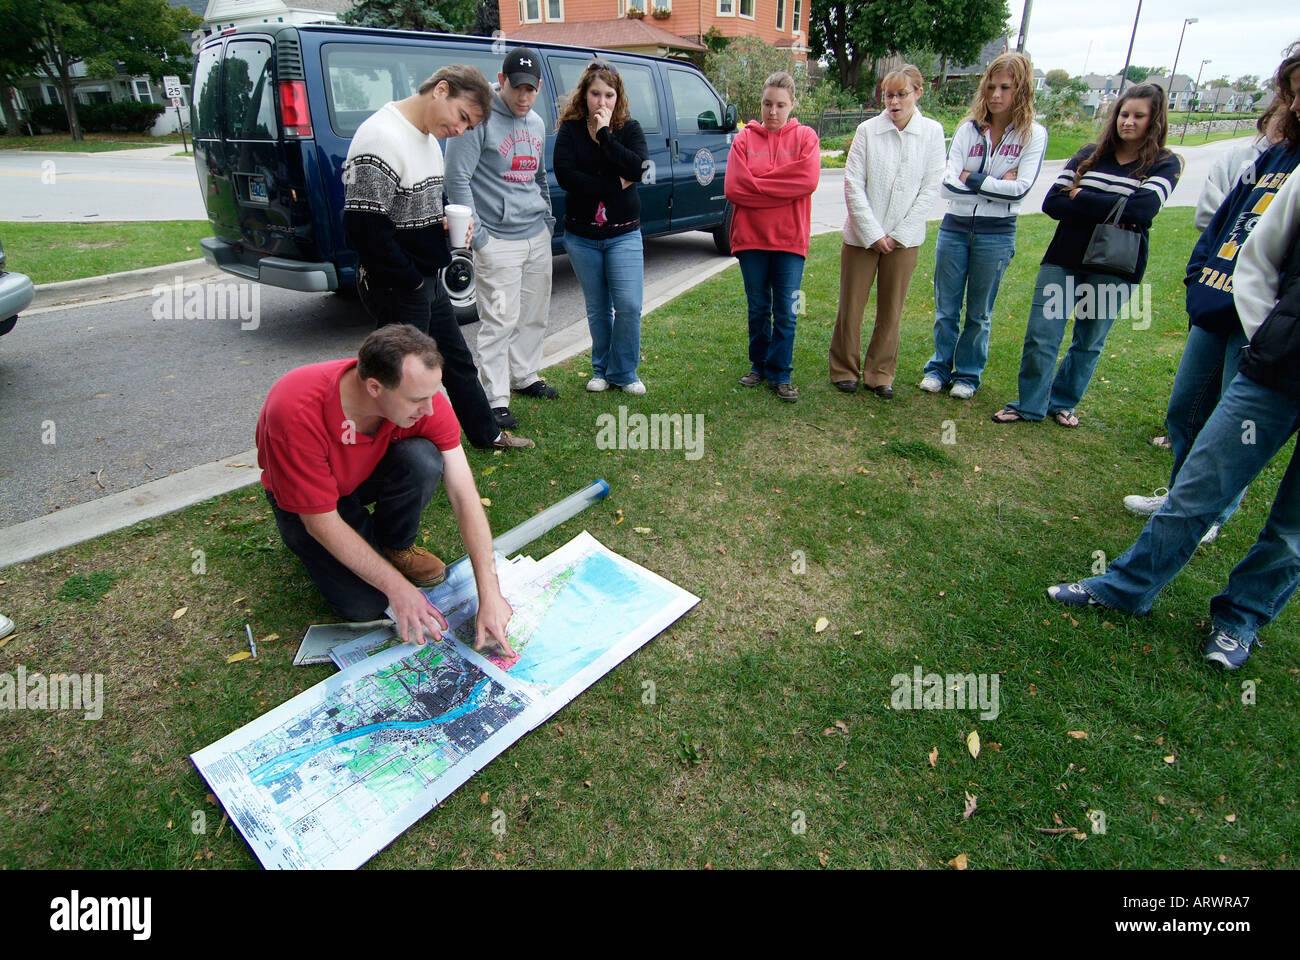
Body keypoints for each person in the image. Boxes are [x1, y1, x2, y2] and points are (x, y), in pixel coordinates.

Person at [1047, 169, 1300, 670]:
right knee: (1200, 485)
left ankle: (1240, 618)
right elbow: (1260, 254)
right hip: (1278, 363)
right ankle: (1126, 588)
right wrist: (1266, 334)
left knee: (1293, 528)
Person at [1122, 45, 1300, 541]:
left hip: (1263, 320)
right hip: (1217, 301)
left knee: (1232, 425)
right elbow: (1223, 221)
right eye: (1295, 93)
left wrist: (1269, 315)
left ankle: (1209, 514)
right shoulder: (1274, 157)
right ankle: (1181, 495)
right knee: (1186, 408)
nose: (1297, 104)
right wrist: (1199, 275)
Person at [257, 324, 516, 655]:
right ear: (375, 388)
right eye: (418, 400)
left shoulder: (422, 398)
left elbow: (465, 496)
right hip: (309, 504)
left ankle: (394, 546)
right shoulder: (295, 411)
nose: (430, 409)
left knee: (423, 458)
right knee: (366, 605)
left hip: (363, 470)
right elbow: (320, 521)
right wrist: (399, 590)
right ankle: (365, 549)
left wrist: (490, 593)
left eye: (433, 394)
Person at [343, 64, 533, 451]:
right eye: (462, 117)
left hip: (425, 278)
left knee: (456, 361)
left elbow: (416, 209)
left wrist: (443, 225)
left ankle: (487, 434)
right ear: (441, 90)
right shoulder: (380, 135)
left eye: (469, 126)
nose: (461, 131)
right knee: (401, 380)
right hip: (398, 283)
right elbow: (362, 228)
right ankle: (382, 459)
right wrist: (411, 280)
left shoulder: (428, 138)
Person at [992, 84, 1182, 427]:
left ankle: (1062, 401)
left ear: (1154, 120)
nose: (1129, 122)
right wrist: (1114, 206)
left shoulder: (1164, 163)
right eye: (1124, 114)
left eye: (1139, 116)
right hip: (1064, 258)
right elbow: (1052, 202)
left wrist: (1081, 197)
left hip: (1115, 265)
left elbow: (1144, 209)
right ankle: (1030, 404)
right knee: (1042, 334)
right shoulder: (1089, 154)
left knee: (1089, 340)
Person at [920, 52, 1048, 400]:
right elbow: (946, 185)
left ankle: (968, 374)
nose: (996, 95)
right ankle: (938, 368)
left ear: (1020, 90)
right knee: (946, 308)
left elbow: (1020, 189)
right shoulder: (967, 129)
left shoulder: (1032, 135)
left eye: (1005, 87)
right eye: (991, 86)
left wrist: (972, 178)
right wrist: (994, 181)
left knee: (979, 312)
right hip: (955, 227)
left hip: (996, 234)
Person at [444, 47, 558, 433]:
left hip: (536, 234)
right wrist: (482, 238)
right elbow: (456, 178)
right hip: (497, 240)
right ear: (502, 80)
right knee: (500, 320)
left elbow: (539, 176)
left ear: (538, 88)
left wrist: (548, 219)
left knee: (534, 313)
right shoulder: (479, 121)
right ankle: (496, 398)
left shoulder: (538, 123)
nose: (523, 97)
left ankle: (525, 375)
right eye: (517, 88)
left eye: (531, 89)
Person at [828, 65, 945, 398]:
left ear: (918, 93)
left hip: (904, 240)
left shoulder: (933, 133)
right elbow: (853, 183)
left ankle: (879, 372)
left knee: (891, 309)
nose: (893, 102)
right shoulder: (867, 131)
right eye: (888, 95)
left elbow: (930, 186)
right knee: (851, 306)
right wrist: (873, 231)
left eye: (901, 94)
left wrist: (899, 233)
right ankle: (843, 369)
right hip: (862, 237)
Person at [553, 59, 650, 395]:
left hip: (623, 234)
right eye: (596, 94)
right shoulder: (569, 130)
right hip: (582, 237)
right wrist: (613, 184)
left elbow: (637, 167)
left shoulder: (629, 129)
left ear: (617, 97)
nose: (602, 102)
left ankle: (624, 371)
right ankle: (601, 369)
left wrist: (606, 135)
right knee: (597, 307)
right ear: (585, 95)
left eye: (609, 95)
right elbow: (567, 177)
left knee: (628, 305)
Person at [723, 70, 821, 402]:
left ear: (792, 104)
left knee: (787, 309)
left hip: (789, 240)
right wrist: (782, 189)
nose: (772, 112)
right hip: (751, 240)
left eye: (780, 105)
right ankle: (759, 365)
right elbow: (735, 187)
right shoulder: (744, 139)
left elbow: (806, 181)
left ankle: (781, 373)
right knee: (758, 307)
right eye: (767, 104)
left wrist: (758, 184)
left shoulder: (806, 138)